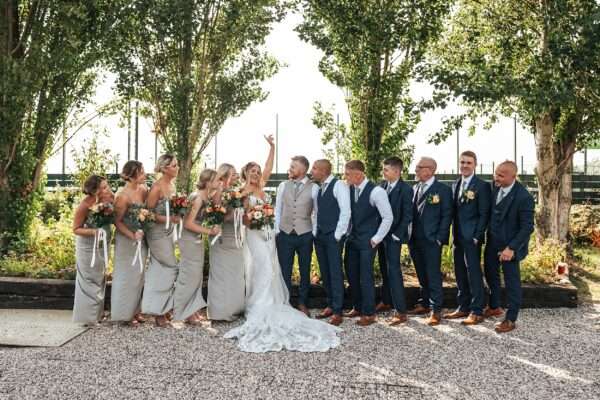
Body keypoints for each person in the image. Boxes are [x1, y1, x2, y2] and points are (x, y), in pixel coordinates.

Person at [224, 135, 341, 353]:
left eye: (258, 171)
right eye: (252, 171)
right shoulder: (242, 192)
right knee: (264, 269)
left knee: (273, 269)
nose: (257, 173)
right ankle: (260, 306)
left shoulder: (262, 186)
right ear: (245, 173)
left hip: (273, 235)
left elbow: (314, 210)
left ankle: (288, 302)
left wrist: (272, 147)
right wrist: (255, 218)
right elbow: (242, 217)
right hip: (256, 234)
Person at [484, 160, 534, 333]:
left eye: (501, 175)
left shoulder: (524, 197)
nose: (496, 177)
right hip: (492, 242)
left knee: (512, 282)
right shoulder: (494, 187)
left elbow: (527, 227)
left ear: (513, 176)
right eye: (495, 173)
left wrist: (511, 248)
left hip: (509, 247)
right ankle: (495, 306)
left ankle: (511, 319)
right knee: (490, 274)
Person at [343, 160, 393, 327]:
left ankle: (369, 313)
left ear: (359, 174)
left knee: (366, 276)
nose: (345, 176)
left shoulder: (376, 191)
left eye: (347, 173)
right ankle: (357, 306)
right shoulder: (349, 189)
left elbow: (388, 217)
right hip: (352, 239)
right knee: (351, 273)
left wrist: (376, 238)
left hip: (368, 241)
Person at [444, 151, 491, 325]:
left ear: (475, 165)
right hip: (457, 237)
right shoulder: (455, 184)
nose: (464, 165)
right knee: (460, 272)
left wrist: (477, 236)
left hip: (472, 238)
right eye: (462, 162)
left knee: (473, 273)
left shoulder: (482, 186)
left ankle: (477, 310)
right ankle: (463, 307)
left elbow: (484, 214)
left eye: (468, 163)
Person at [408, 157, 453, 326]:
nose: (416, 170)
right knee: (421, 273)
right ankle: (424, 303)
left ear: (431, 170)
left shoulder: (442, 190)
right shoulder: (415, 188)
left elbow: (446, 215)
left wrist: (439, 238)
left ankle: (436, 310)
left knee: (433, 274)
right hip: (415, 239)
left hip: (432, 240)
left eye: (419, 167)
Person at [177, 169, 222, 325]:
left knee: (196, 275)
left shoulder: (205, 197)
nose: (219, 182)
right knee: (190, 275)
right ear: (208, 182)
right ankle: (186, 312)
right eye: (217, 180)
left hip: (196, 238)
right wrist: (209, 231)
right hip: (189, 240)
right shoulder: (196, 198)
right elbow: (188, 223)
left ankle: (193, 310)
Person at [275, 155, 318, 316]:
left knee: (305, 270)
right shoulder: (282, 186)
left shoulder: (314, 188)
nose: (290, 168)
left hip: (305, 235)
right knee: (284, 270)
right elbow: (277, 209)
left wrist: (312, 233)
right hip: (285, 234)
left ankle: (302, 302)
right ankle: (285, 303)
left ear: (302, 170)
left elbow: (317, 213)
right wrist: (277, 231)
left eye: (293, 166)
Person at [142, 154, 181, 327]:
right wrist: (168, 219)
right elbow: (147, 214)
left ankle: (162, 309)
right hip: (156, 233)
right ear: (164, 168)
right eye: (174, 165)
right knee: (170, 267)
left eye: (177, 164)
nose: (177, 167)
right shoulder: (157, 187)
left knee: (161, 270)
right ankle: (158, 311)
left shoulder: (172, 185)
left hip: (169, 231)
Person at [310, 159, 351, 326]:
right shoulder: (320, 188)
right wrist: (315, 231)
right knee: (325, 272)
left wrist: (337, 235)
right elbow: (317, 213)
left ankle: (338, 310)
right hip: (320, 236)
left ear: (323, 170)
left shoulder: (338, 185)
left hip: (332, 237)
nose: (311, 171)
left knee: (335, 273)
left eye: (314, 168)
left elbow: (345, 211)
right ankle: (330, 304)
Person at [374, 157, 413, 326]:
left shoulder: (405, 189)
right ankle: (386, 300)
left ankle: (401, 311)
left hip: (394, 237)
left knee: (394, 271)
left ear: (397, 172)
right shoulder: (382, 186)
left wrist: (397, 235)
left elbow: (407, 215)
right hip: (381, 235)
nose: (383, 172)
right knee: (384, 269)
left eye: (386, 170)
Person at [72, 175, 113, 324]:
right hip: (88, 247)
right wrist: (93, 232)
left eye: (106, 186)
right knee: (88, 280)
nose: (107, 189)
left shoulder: (109, 199)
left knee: (100, 278)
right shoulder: (85, 205)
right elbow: (75, 229)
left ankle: (97, 314)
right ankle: (87, 318)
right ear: (94, 190)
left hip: (103, 245)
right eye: (103, 187)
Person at [207, 164, 246, 321]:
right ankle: (220, 312)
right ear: (224, 176)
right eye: (234, 174)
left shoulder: (234, 193)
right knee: (221, 275)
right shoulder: (217, 193)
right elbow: (219, 216)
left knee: (235, 275)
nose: (236, 176)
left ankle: (235, 308)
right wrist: (236, 214)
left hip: (236, 237)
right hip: (222, 237)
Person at [111, 161, 148, 325]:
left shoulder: (143, 190)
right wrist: (132, 235)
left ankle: (136, 310)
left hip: (141, 237)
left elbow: (147, 212)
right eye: (141, 172)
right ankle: (123, 313)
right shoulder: (122, 196)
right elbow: (117, 222)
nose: (145, 174)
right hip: (127, 240)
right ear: (133, 175)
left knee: (139, 275)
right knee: (126, 276)